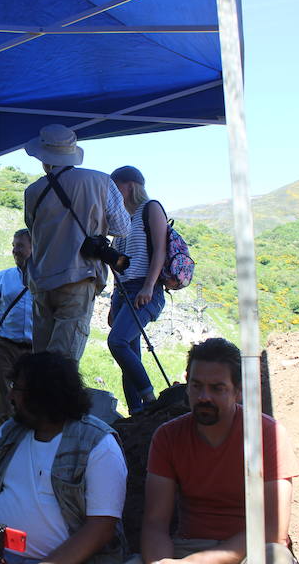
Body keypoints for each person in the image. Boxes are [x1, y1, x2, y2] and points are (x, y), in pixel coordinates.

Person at [0, 351, 129, 564]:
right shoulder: (11, 431)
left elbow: (101, 528)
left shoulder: (98, 445)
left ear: (42, 395)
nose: (10, 397)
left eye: (16, 388)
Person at [137, 338, 299, 564]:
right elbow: (155, 523)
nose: (204, 397)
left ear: (239, 391)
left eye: (217, 388)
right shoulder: (168, 437)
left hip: (250, 552)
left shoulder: (267, 434)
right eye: (196, 386)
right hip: (188, 547)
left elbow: (274, 530)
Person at [23, 124, 131, 364]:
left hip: (41, 283)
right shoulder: (101, 181)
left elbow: (33, 231)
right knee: (63, 365)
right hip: (79, 279)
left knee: (40, 362)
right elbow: (123, 228)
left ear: (43, 157)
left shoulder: (32, 191)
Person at [106, 166, 167, 415]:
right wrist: (113, 301)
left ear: (130, 185)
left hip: (144, 288)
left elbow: (160, 249)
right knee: (129, 354)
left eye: (116, 186)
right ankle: (136, 414)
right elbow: (119, 265)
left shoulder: (151, 208)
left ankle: (149, 399)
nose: (112, 193)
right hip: (124, 292)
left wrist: (150, 286)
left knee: (117, 342)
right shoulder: (121, 221)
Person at [0, 228, 34, 428]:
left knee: (32, 407)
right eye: (13, 246)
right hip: (3, 348)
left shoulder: (47, 281)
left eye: (20, 246)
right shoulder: (2, 278)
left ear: (33, 247)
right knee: (2, 407)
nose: (15, 251)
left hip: (34, 351)